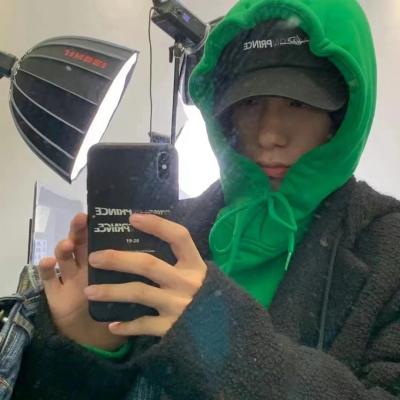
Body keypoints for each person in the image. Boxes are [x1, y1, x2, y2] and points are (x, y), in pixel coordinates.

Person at [1, 0, 400, 399]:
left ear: (343, 115)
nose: (269, 135)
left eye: (299, 103)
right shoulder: (169, 232)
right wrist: (87, 349)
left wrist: (216, 331)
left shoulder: (389, 249)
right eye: (250, 102)